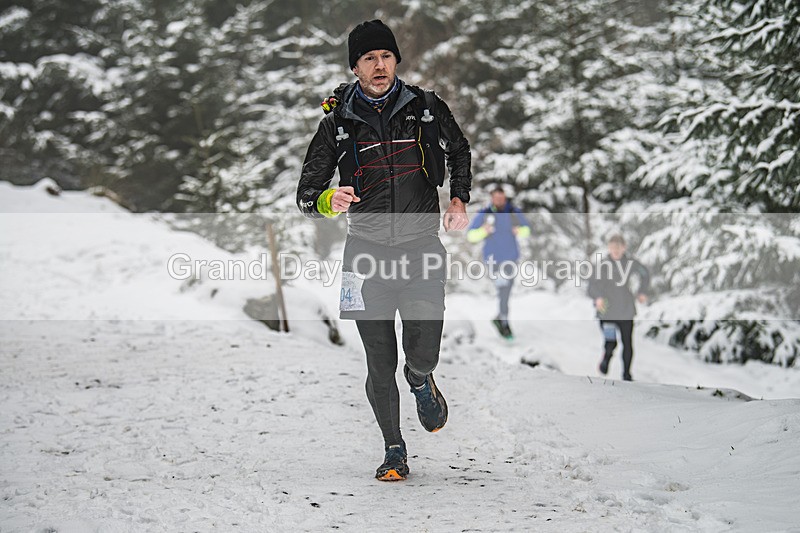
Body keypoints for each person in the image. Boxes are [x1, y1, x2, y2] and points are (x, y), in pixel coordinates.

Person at [296, 19, 472, 481]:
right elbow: (306, 196)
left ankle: (420, 378)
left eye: (386, 56)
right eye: (369, 58)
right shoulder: (336, 125)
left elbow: (459, 150)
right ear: (355, 67)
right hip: (364, 254)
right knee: (379, 361)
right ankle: (394, 449)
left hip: (421, 248)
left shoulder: (426, 108)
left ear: (396, 61)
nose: (379, 65)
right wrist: (327, 200)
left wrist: (459, 198)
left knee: (423, 350)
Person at [466, 186, 530, 339]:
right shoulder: (485, 214)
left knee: (506, 291)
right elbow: (471, 236)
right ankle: (504, 322)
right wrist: (483, 231)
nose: (499, 200)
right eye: (496, 198)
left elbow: (527, 230)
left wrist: (519, 231)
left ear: (505, 198)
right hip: (493, 259)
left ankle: (501, 318)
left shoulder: (513, 212)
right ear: (492, 198)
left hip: (511, 258)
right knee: (502, 287)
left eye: (501, 198)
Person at [587, 234, 650, 381]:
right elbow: (591, 286)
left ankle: (627, 374)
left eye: (618, 247)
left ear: (624, 248)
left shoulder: (631, 263)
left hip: (625, 310)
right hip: (607, 311)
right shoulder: (602, 265)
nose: (615, 250)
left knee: (627, 343)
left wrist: (642, 291)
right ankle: (606, 358)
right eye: (612, 247)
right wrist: (598, 297)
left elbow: (645, 274)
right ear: (608, 248)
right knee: (611, 342)